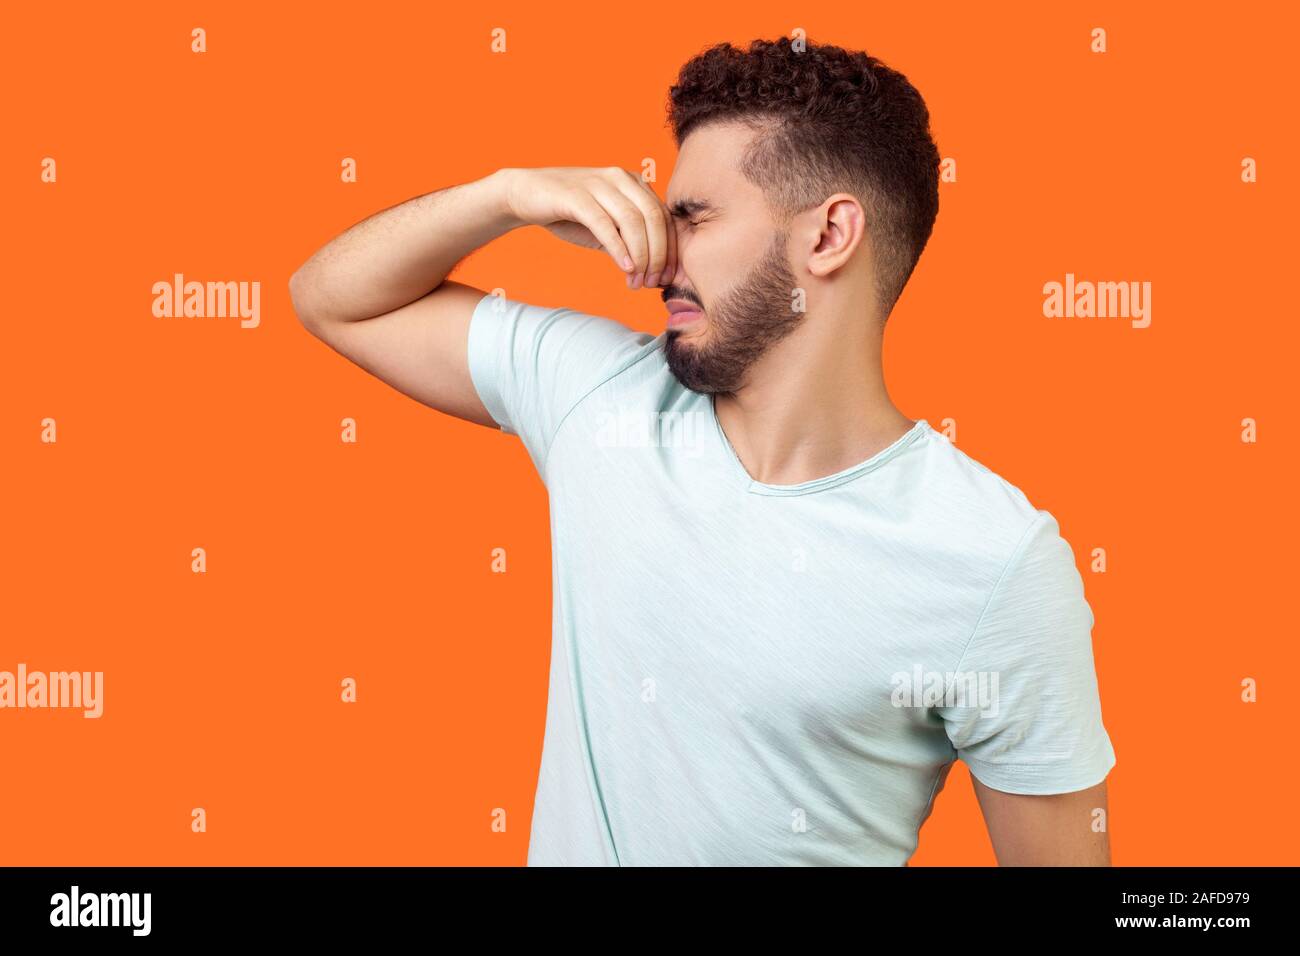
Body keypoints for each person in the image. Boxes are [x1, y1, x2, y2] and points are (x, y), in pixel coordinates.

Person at [289, 36, 1116, 866]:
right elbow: (334, 300)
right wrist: (504, 196)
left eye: (692, 217)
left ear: (828, 236)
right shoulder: (599, 395)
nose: (652, 260)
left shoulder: (994, 561)